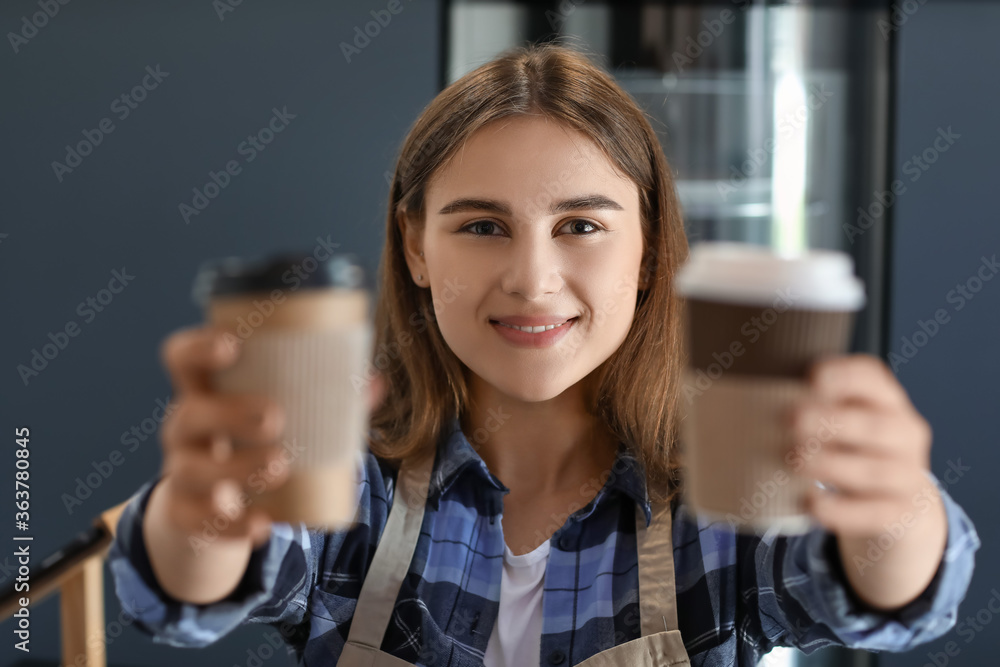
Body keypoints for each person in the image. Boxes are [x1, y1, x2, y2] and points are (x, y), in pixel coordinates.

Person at [108, 42, 980, 666]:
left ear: (647, 251)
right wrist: (203, 511)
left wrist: (896, 504)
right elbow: (191, 587)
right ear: (415, 247)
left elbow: (885, 595)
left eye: (582, 226)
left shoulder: (719, 498)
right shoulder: (348, 481)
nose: (533, 277)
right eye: (482, 226)